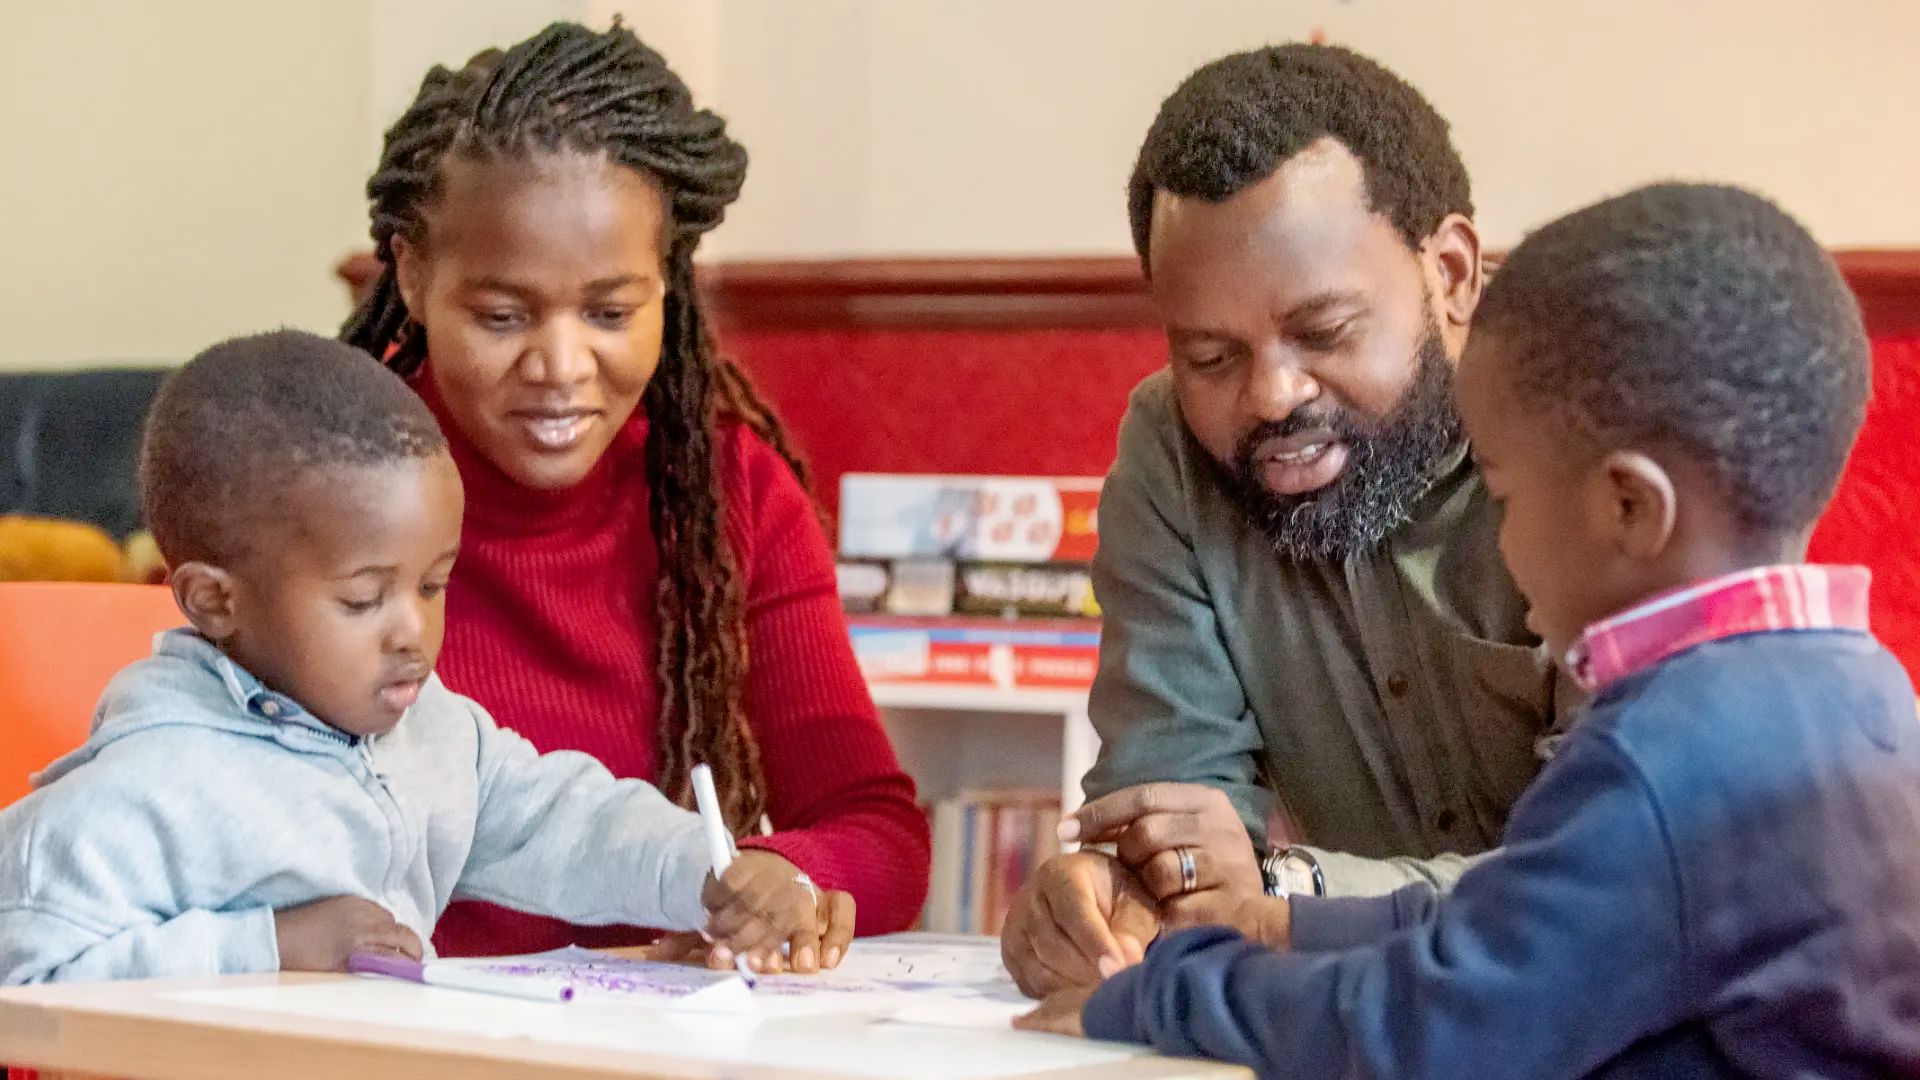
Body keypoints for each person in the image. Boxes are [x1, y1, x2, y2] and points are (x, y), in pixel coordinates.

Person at [1015, 182, 1920, 1078]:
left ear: (1629, 507)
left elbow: (1435, 1028)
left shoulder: (1663, 755)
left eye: (1504, 492)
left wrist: (1165, 995)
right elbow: (1510, 917)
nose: (1503, 537)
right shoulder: (1863, 693)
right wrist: (1282, 922)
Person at [0, 331, 856, 984]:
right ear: (216, 601)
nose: (412, 630)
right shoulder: (141, 790)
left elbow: (563, 820)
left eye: (434, 585)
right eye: (364, 600)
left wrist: (710, 875)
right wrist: (272, 944)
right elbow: (27, 974)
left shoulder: (438, 737)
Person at [339, 21, 929, 961]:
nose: (561, 365)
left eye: (611, 313)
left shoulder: (731, 498)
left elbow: (878, 830)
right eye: (502, 315)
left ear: (667, 286)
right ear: (412, 274)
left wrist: (776, 878)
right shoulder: (314, 490)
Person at [1002, 44, 1574, 994]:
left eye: (1325, 333)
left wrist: (1286, 895)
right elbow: (1173, 826)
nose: (1273, 396)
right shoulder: (1171, 455)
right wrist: (1112, 897)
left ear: (1455, 273)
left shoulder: (1602, 435)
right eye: (1211, 358)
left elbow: (1604, 895)